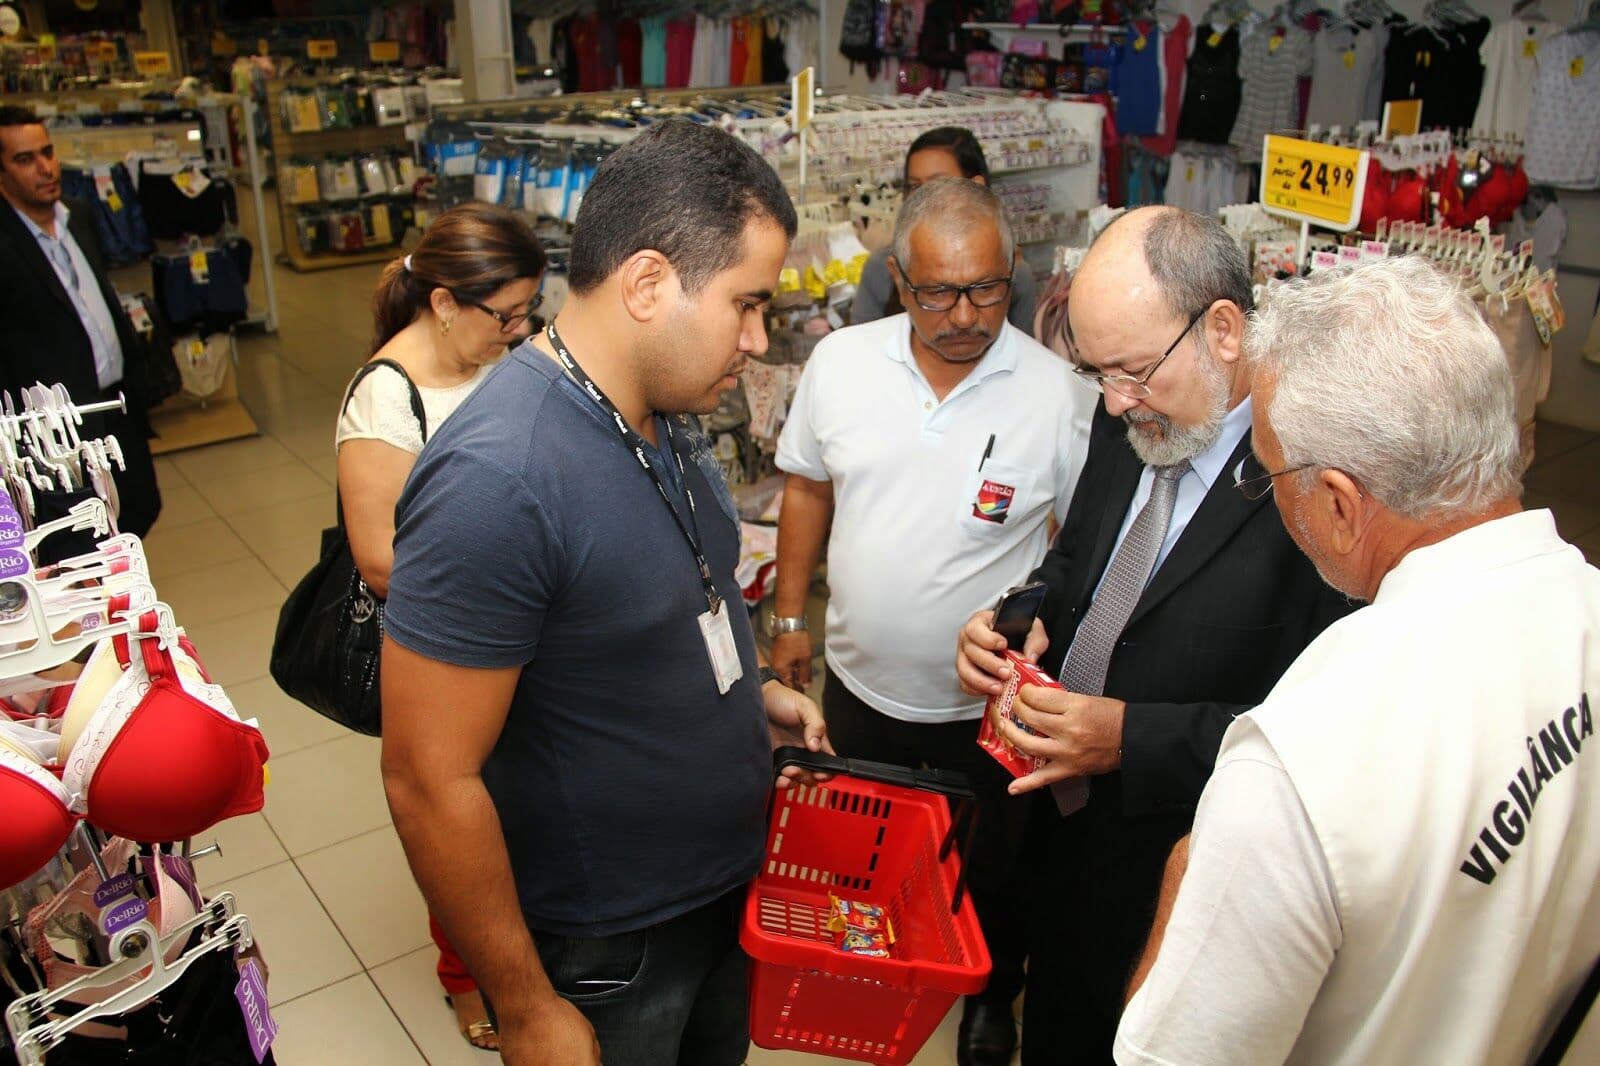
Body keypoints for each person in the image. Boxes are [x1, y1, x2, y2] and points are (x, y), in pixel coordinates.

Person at [378, 119, 828, 1066]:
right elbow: (427, 778)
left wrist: (749, 693)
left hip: (720, 892)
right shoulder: (496, 480)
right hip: (610, 943)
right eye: (745, 305)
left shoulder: (663, 408)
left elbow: (665, 599)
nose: (756, 340)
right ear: (649, 283)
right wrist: (524, 1005)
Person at [1115, 257, 1600, 1066]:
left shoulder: (1300, 761)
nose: (1270, 494)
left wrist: (1186, 880)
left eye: (1268, 474)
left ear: (1340, 504)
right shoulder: (1586, 606)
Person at [954, 205, 1351, 1065]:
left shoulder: (1318, 477)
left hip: (1187, 865)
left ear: (1224, 331)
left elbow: (1332, 734)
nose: (1112, 401)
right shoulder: (1132, 412)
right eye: (1096, 373)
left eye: (1133, 372)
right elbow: (1079, 559)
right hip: (1058, 837)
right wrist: (1017, 617)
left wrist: (1131, 739)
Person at [772, 176, 1094, 1066]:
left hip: (988, 707)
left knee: (995, 864)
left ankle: (990, 997)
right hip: (861, 681)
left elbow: (1077, 547)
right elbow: (806, 489)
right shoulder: (841, 364)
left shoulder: (1059, 395)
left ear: (1013, 274)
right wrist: (790, 617)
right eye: (938, 293)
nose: (963, 315)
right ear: (897, 279)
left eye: (986, 289)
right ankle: (874, 975)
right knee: (864, 846)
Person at [336, 202, 546, 1052]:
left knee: (518, 805)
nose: (520, 331)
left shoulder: (503, 359)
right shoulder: (386, 398)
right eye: (506, 315)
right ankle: (465, 973)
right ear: (445, 303)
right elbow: (380, 559)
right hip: (450, 645)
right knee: (454, 808)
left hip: (525, 632)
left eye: (529, 311)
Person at [0, 105, 161, 536]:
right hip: (57, 429)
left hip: (115, 406)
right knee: (78, 534)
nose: (45, 168)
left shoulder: (79, 216)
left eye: (47, 152)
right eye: (24, 159)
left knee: (140, 506)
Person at [851, 126, 1038, 333]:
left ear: (976, 186)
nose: (923, 198)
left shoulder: (1015, 273)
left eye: (938, 184)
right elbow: (861, 344)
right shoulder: (880, 268)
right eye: (914, 186)